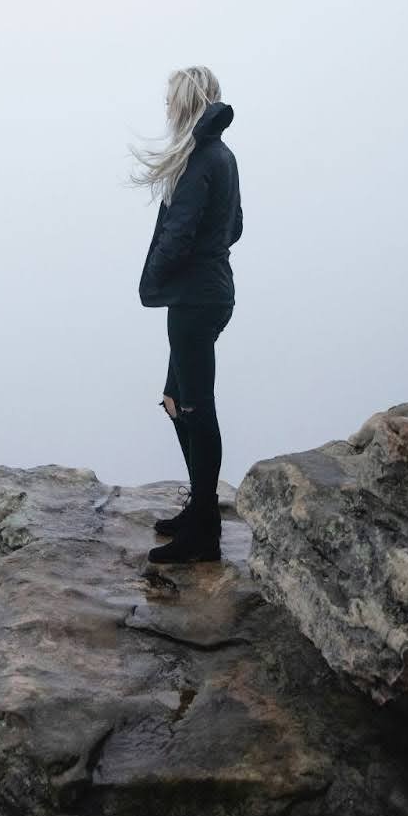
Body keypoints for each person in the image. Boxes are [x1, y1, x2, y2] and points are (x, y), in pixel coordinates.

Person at [127, 66, 243, 565]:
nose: (167, 110)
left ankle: (205, 530)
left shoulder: (201, 157)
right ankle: (199, 510)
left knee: (197, 406)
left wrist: (155, 275)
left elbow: (181, 231)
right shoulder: (222, 154)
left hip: (195, 300)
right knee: (178, 399)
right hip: (209, 294)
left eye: (170, 101)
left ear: (184, 102)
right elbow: (234, 226)